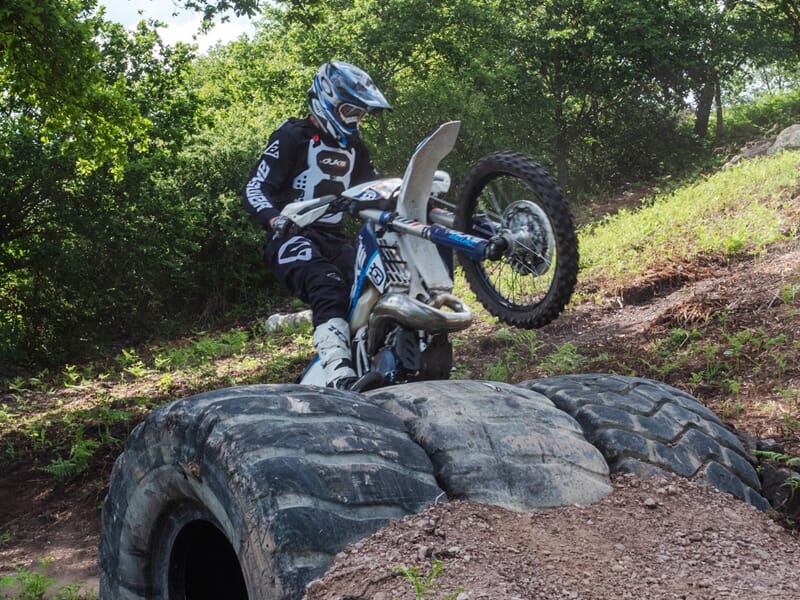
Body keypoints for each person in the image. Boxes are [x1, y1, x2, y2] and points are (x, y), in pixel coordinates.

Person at [243, 61, 391, 390]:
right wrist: (275, 218)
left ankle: (382, 360)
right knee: (327, 285)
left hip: (334, 238)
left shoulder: (355, 148)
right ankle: (339, 375)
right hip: (290, 237)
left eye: (360, 114)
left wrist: (412, 199)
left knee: (377, 286)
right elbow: (255, 187)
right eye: (349, 110)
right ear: (326, 101)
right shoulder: (292, 137)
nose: (355, 120)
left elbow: (374, 191)